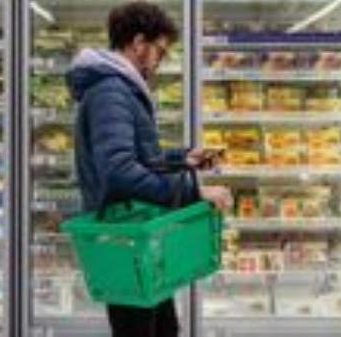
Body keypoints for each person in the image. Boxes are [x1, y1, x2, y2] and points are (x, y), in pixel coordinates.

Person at [66, 2, 232, 336]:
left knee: (163, 327)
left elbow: (135, 158)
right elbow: (120, 170)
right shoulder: (111, 91)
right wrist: (194, 191)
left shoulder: (120, 88)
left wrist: (181, 159)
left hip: (138, 232)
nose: (160, 61)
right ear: (139, 43)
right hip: (124, 236)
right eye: (160, 51)